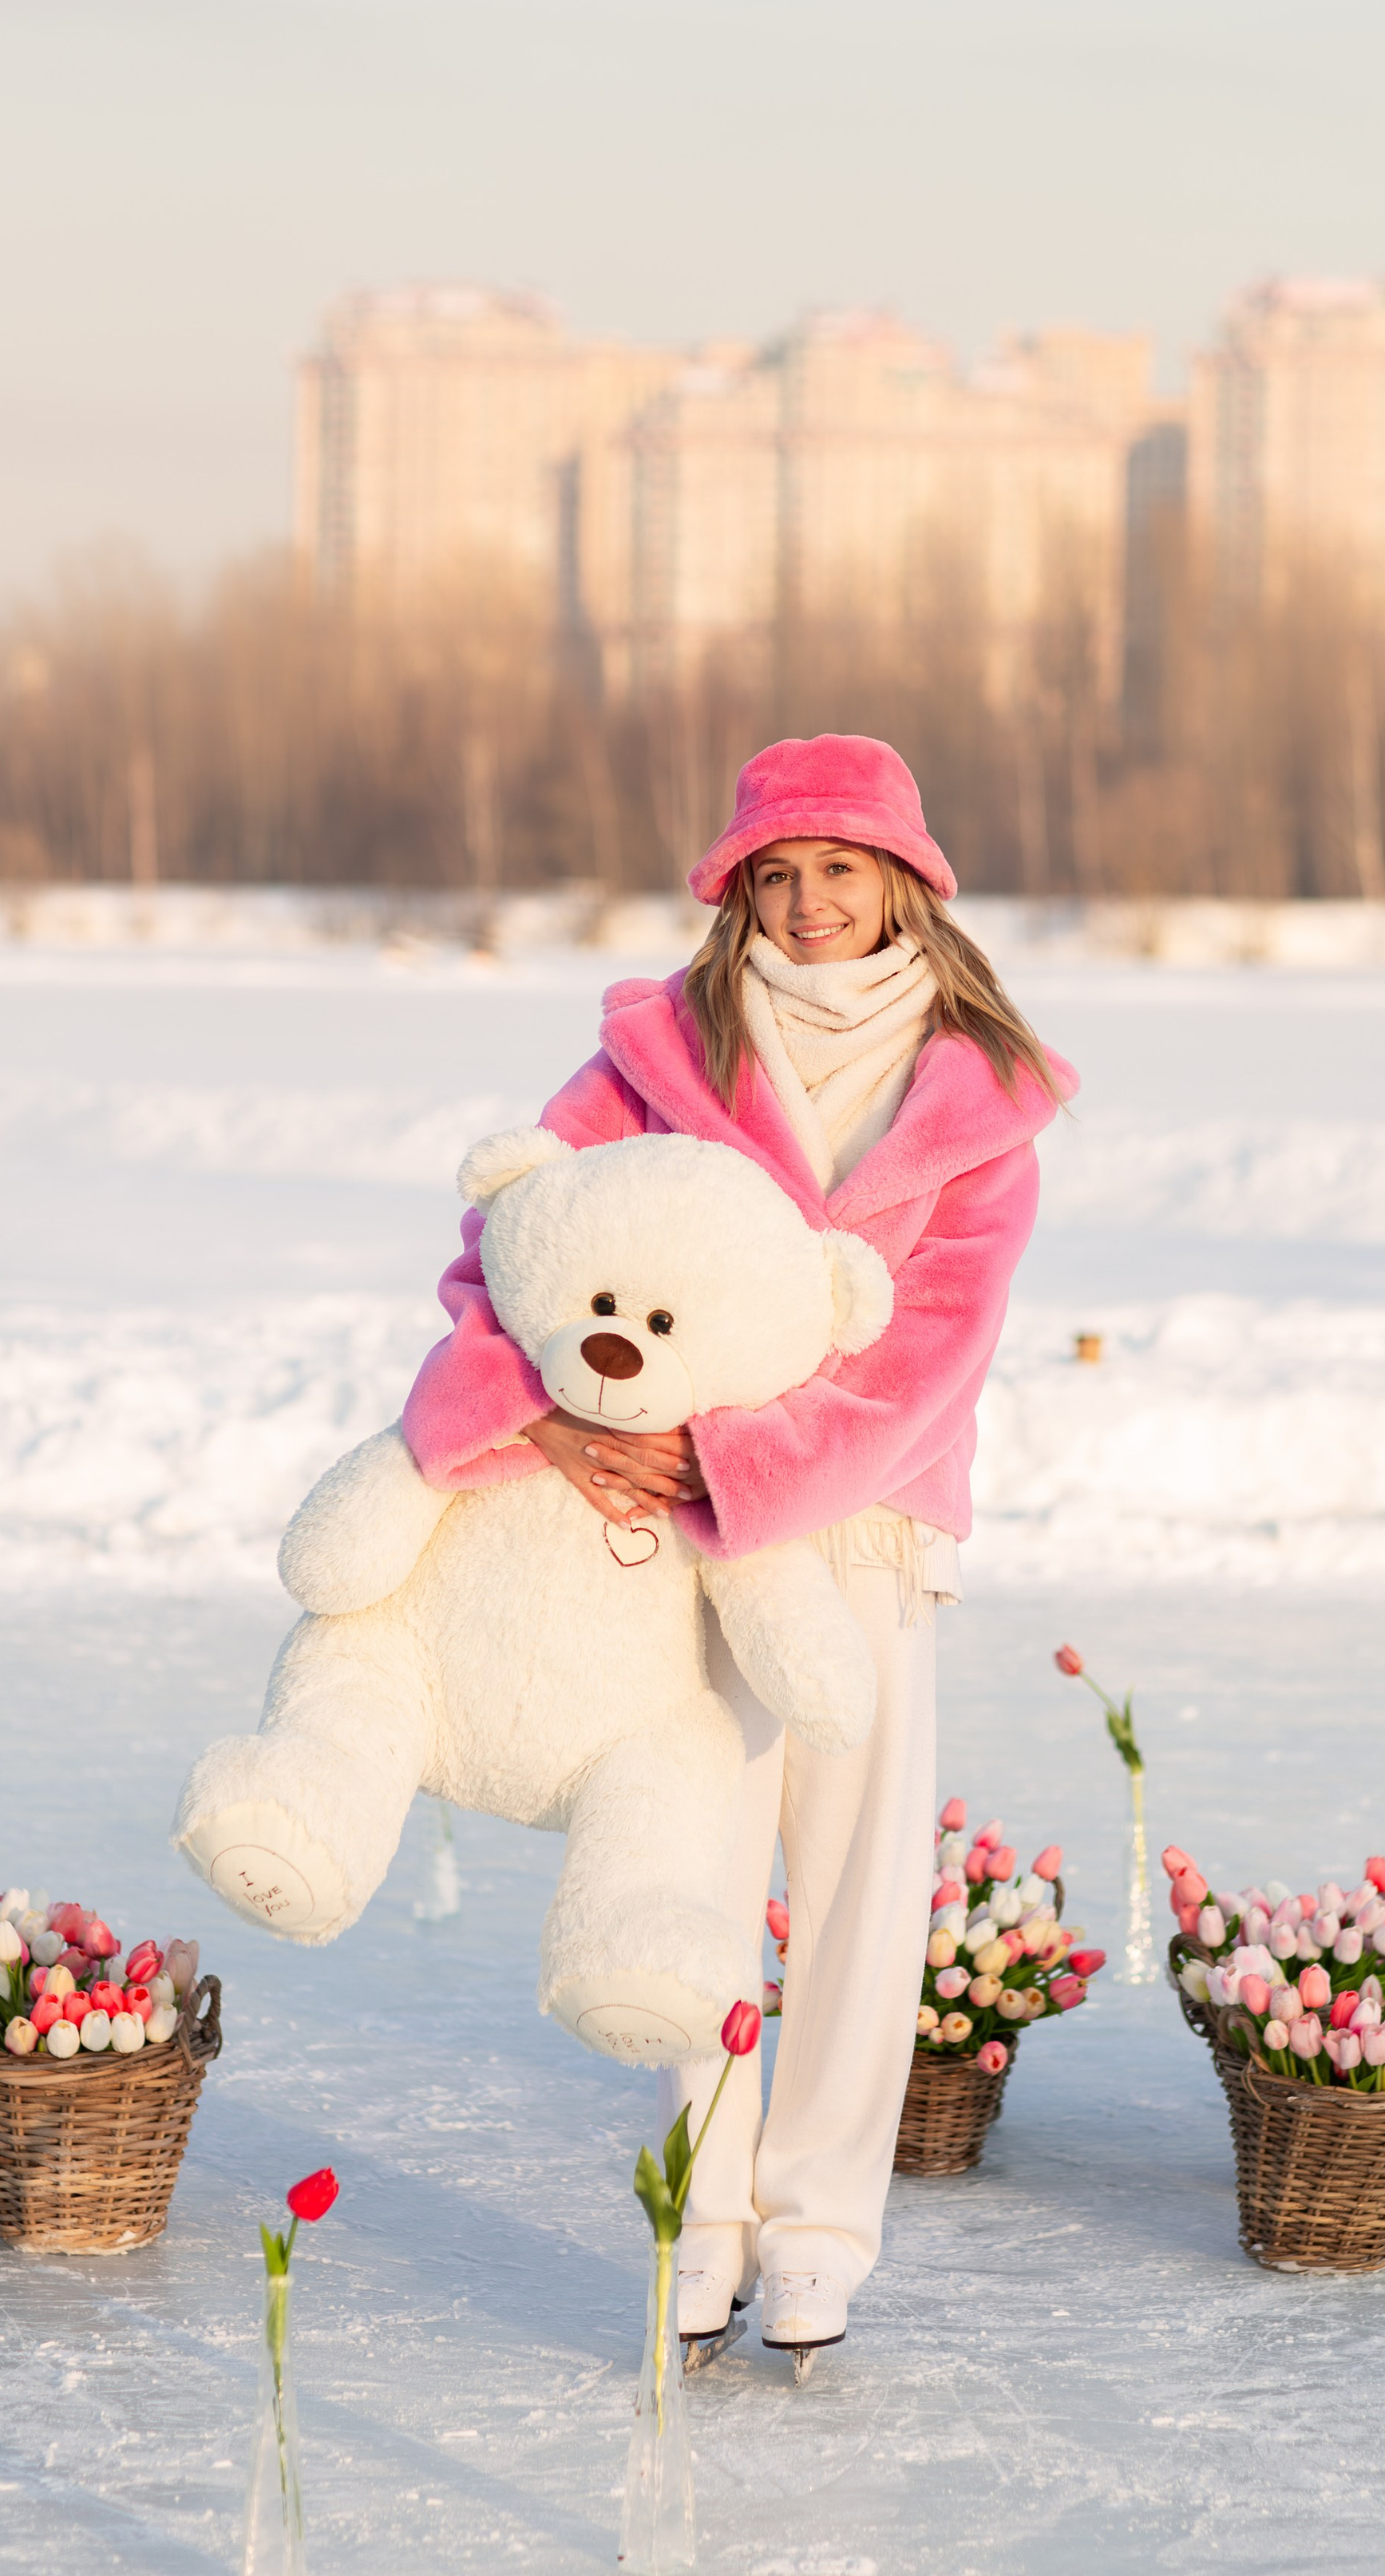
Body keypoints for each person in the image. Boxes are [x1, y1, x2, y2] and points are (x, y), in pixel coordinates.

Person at [400, 733, 1075, 2364]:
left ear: (903, 880)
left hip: (865, 1527)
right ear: (737, 890)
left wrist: (724, 1459)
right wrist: (548, 1422)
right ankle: (702, 2220)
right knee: (689, 1874)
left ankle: (819, 2234)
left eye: (839, 868)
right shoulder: (657, 1055)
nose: (808, 902)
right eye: (777, 873)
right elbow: (511, 1247)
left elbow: (931, 1356)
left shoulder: (976, 1100)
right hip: (648, 1529)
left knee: (856, 1892)